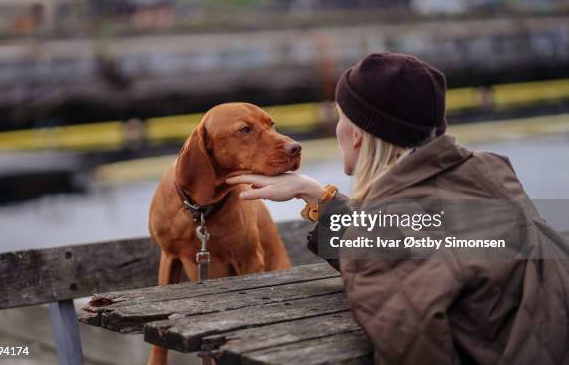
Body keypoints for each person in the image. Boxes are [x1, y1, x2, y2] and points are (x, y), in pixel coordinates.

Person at [226, 52, 569, 364]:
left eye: (340, 117)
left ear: (357, 135)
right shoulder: (489, 176)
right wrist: (316, 195)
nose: (337, 129)